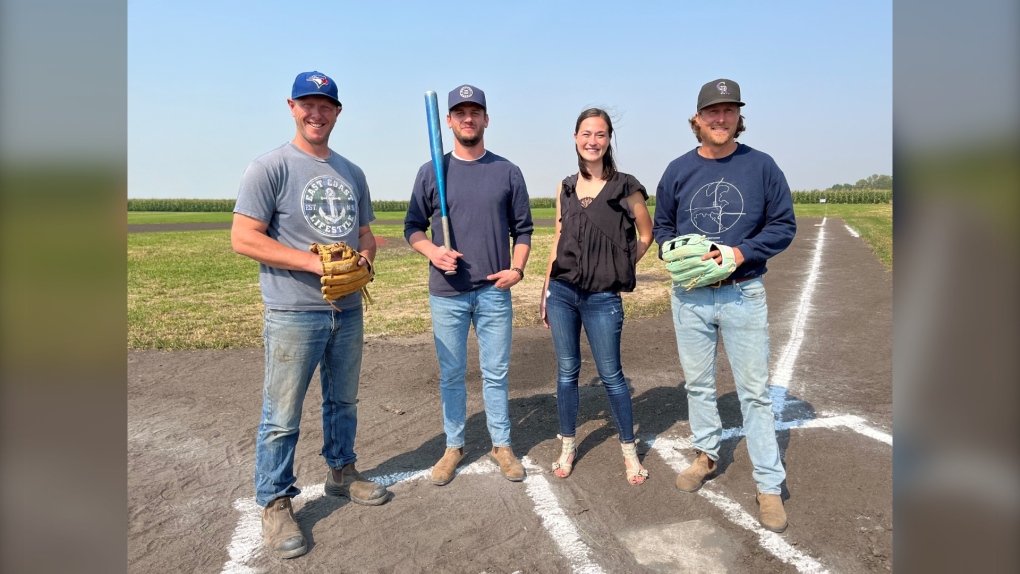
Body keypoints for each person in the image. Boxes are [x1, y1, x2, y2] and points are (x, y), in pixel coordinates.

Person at [231, 71, 390, 559]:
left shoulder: (352, 172)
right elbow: (243, 238)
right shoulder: (270, 167)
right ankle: (276, 502)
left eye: (326, 105)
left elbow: (366, 234)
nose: (316, 113)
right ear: (292, 106)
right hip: (293, 310)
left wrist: (363, 260)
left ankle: (342, 471)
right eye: (307, 104)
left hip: (346, 310)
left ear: (338, 112)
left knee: (343, 401)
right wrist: (314, 262)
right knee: (281, 415)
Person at [653, 79, 797, 533]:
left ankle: (769, 485)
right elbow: (661, 228)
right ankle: (706, 455)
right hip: (691, 296)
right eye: (711, 111)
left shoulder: (761, 166)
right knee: (698, 386)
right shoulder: (677, 170)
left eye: (729, 110)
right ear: (697, 119)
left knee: (754, 393)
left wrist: (739, 253)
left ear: (738, 116)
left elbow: (783, 225)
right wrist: (673, 252)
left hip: (743, 292)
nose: (720, 118)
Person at [404, 84, 534, 486]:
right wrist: (432, 251)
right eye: (460, 112)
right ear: (448, 122)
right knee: (452, 374)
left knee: (495, 373)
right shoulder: (432, 171)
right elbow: (412, 226)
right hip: (448, 293)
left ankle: (502, 444)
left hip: (494, 291)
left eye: (475, 111)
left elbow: (524, 230)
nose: (468, 118)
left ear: (486, 119)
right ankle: (454, 445)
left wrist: (517, 270)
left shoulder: (507, 171)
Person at [539, 108, 654, 485]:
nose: (593, 141)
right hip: (562, 294)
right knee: (567, 372)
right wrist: (545, 290)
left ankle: (628, 450)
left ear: (608, 140)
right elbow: (558, 240)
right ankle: (568, 446)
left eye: (600, 134)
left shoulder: (626, 186)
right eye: (586, 133)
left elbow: (646, 235)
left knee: (611, 375)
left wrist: (623, 267)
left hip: (603, 299)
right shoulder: (565, 187)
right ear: (575, 138)